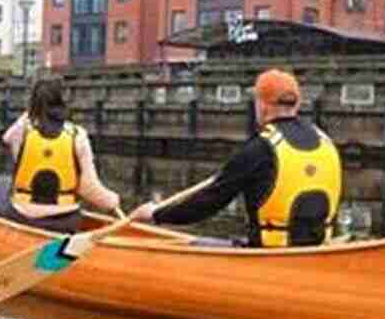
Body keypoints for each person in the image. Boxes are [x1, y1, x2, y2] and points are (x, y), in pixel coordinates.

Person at [130, 69, 342, 248]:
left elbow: (207, 203)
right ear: (297, 104)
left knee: (198, 242)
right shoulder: (327, 143)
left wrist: (157, 214)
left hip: (269, 254)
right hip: (319, 249)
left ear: (263, 105)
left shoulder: (260, 149)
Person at [0, 76, 121, 233]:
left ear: (32, 105)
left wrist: (33, 109)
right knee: (5, 182)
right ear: (62, 102)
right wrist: (112, 200)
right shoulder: (78, 135)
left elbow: (6, 138)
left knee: (1, 182)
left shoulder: (21, 131)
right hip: (65, 222)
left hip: (22, 217)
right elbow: (88, 189)